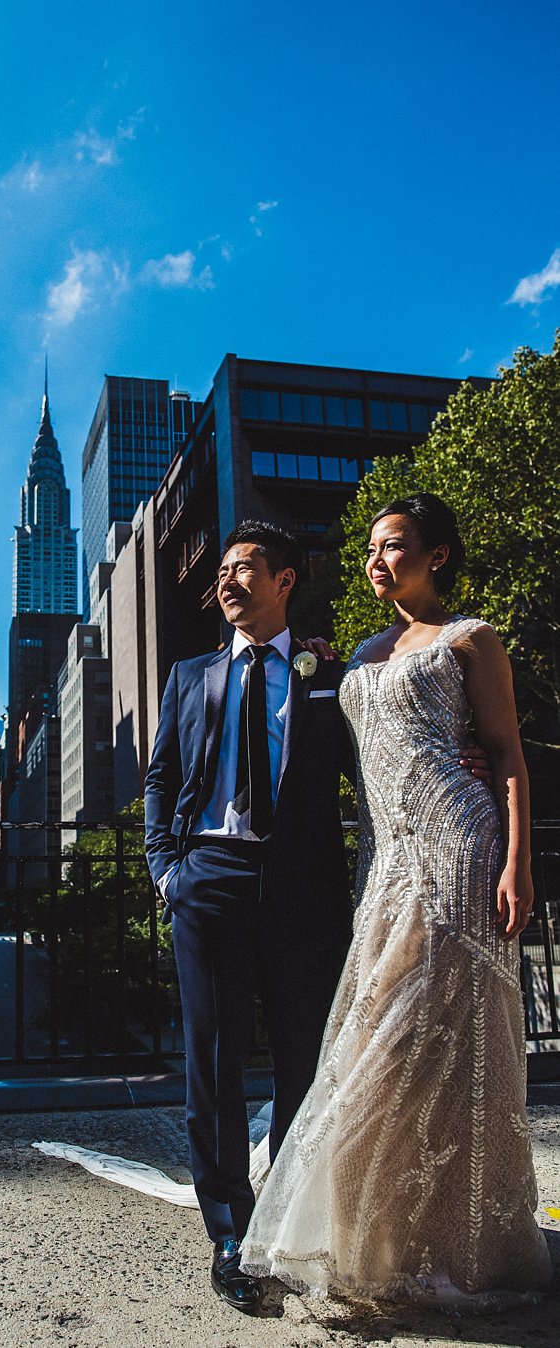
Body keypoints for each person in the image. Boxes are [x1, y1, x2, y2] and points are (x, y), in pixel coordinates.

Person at [143, 518, 490, 1316]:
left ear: (285, 579)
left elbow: (391, 747)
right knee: (215, 1064)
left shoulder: (329, 673)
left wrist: (463, 760)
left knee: (310, 1059)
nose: (226, 582)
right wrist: (168, 869)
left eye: (242, 568)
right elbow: (161, 776)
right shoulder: (189, 675)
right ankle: (229, 1235)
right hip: (210, 878)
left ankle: (293, 1220)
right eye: (222, 571)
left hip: (305, 886)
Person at [239, 493, 552, 1309]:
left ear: (437, 555)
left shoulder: (470, 639)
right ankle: (386, 1235)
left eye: (395, 546)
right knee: (381, 1042)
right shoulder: (357, 653)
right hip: (383, 863)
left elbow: (508, 752)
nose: (378, 560)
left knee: (433, 1042)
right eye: (372, 550)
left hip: (461, 847)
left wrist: (518, 863)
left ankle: (452, 1244)